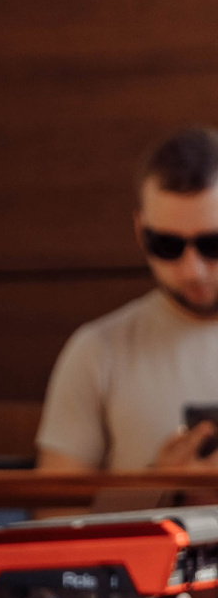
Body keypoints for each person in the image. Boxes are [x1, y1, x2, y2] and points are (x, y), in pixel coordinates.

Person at [37, 126, 218, 476]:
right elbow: (54, 514)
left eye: (213, 244)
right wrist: (157, 487)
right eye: (167, 245)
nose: (191, 270)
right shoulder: (97, 351)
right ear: (140, 231)